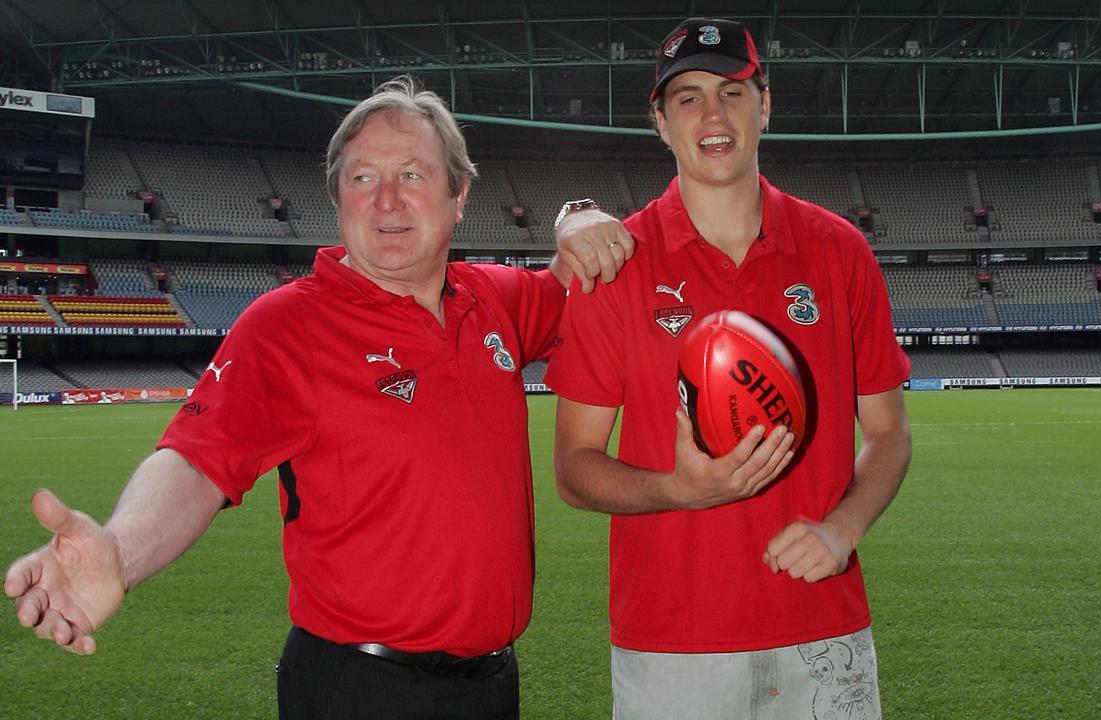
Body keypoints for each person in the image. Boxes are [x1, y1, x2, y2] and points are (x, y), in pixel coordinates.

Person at [4, 76, 631, 720]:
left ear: (459, 194)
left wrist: (577, 213)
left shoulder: (496, 299)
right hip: (360, 688)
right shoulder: (288, 326)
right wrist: (120, 550)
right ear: (338, 199)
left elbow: (584, 277)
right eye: (362, 179)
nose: (386, 200)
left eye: (413, 175)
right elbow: (196, 463)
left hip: (492, 684)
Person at [545, 18, 913, 720]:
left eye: (732, 92)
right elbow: (572, 466)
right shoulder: (616, 264)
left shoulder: (840, 252)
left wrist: (844, 529)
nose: (712, 115)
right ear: (659, 121)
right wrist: (679, 490)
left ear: (765, 105)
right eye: (687, 98)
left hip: (822, 629)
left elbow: (890, 432)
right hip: (673, 646)